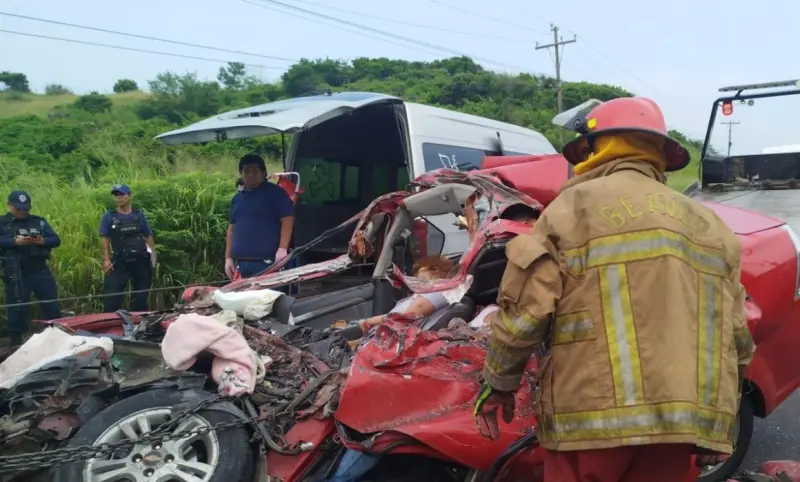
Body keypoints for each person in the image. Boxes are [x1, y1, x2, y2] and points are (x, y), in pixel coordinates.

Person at [473, 97, 755, 482]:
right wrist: (718, 426)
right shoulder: (714, 227)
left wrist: (498, 383)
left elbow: (526, 314)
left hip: (587, 423)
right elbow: (735, 339)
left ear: (597, 147)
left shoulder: (572, 208)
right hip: (677, 430)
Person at [335, 255, 457, 339]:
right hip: (385, 334)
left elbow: (408, 315)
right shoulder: (418, 295)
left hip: (397, 338)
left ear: (436, 269)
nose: (417, 280)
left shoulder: (440, 291)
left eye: (420, 276)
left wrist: (367, 322)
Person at [0, 190, 62, 346]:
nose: (22, 212)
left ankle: (54, 336)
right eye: (18, 209)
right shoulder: (2, 222)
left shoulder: (37, 221)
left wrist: (41, 241)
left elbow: (55, 239)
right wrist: (14, 242)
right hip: (15, 271)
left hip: (39, 268)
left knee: (51, 304)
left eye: (25, 209)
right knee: (17, 307)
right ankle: (15, 342)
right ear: (9, 205)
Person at [225, 154, 294, 279]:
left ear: (263, 173)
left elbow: (288, 219)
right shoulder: (237, 199)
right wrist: (228, 258)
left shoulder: (275, 193)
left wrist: (282, 248)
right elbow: (231, 230)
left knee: (267, 298)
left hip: (267, 263)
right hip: (240, 264)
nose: (250, 175)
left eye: (255, 171)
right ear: (241, 174)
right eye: (246, 171)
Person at [99, 184, 156, 313]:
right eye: (116, 195)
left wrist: (153, 255)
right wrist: (106, 260)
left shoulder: (138, 215)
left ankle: (140, 322)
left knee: (141, 297)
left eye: (122, 195)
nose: (119, 198)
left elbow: (147, 235)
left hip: (141, 260)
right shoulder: (109, 217)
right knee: (112, 296)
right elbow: (105, 239)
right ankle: (110, 322)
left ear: (129, 196)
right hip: (120, 261)